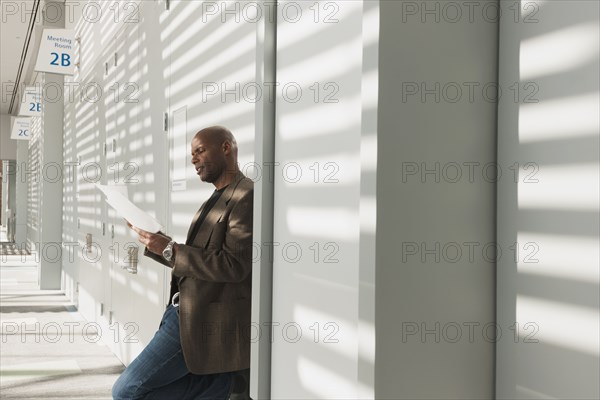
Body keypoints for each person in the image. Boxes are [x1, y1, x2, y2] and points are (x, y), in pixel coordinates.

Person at [112, 126, 253, 399]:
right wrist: (158, 243)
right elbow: (199, 259)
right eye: (191, 154)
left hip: (199, 317)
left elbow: (234, 265)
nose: (193, 159)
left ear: (226, 147)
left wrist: (172, 250)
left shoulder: (245, 195)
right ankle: (221, 387)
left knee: (127, 391)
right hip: (179, 311)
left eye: (200, 150)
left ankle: (224, 387)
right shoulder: (213, 200)